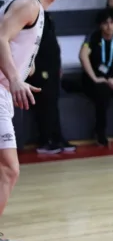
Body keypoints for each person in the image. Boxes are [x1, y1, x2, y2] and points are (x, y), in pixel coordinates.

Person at [0, 0, 72, 241]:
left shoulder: (38, 11)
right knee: (8, 170)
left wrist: (22, 69)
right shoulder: (28, 3)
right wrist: (15, 78)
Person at [78, 9, 113, 147]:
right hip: (94, 78)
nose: (109, 26)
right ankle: (100, 131)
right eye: (106, 23)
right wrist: (95, 78)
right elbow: (83, 56)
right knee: (102, 92)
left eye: (112, 22)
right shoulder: (93, 37)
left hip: (112, 78)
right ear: (100, 25)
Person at [31, 8, 71, 155]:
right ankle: (44, 140)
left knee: (53, 103)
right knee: (44, 104)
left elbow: (53, 43)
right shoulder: (26, 17)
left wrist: (58, 66)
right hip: (39, 68)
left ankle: (57, 137)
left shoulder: (47, 17)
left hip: (52, 67)